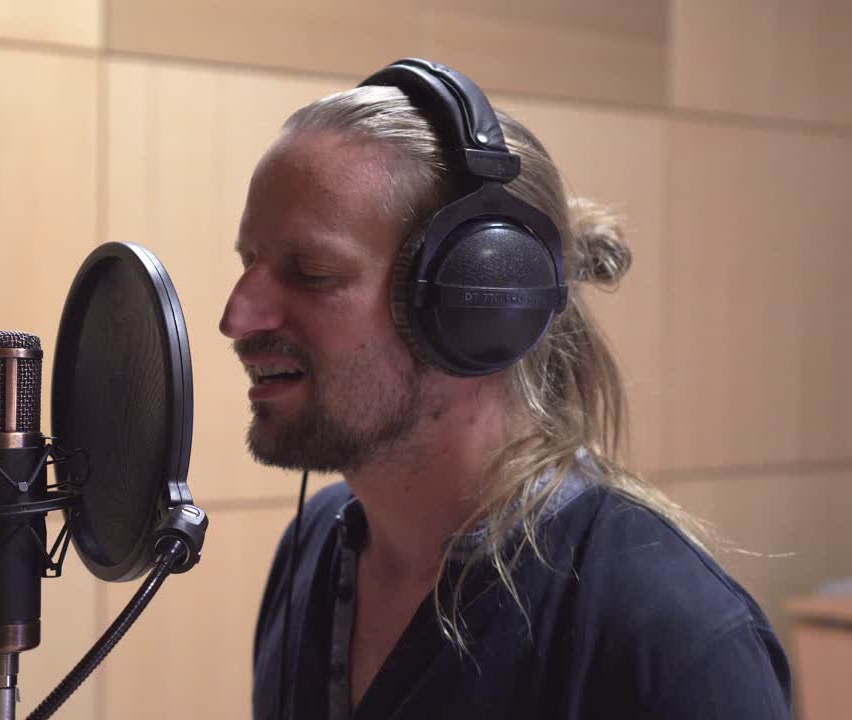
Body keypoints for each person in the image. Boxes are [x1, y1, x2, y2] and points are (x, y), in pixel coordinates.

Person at [219, 59, 791, 719]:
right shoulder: (314, 548)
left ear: (478, 300)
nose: (238, 317)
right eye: (249, 263)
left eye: (311, 272)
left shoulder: (668, 633)